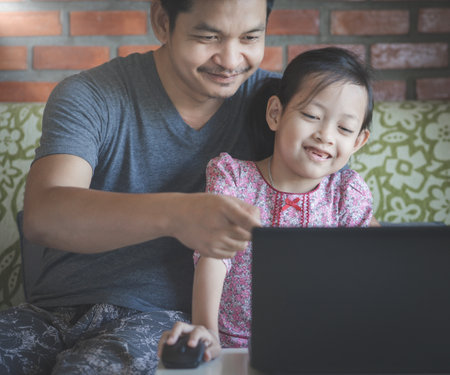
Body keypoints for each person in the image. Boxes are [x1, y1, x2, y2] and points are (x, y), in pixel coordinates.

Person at [0, 1, 276, 374]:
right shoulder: (90, 94)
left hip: (163, 322)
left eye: (250, 37)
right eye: (208, 37)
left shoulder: (280, 109)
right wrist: (178, 215)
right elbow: (43, 215)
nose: (230, 59)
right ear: (163, 22)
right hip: (50, 313)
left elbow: (332, 197)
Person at [158, 47, 374, 362]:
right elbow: (214, 257)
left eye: (343, 129)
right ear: (275, 113)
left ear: (357, 142)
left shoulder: (346, 193)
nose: (326, 135)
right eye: (312, 116)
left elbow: (365, 271)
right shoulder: (232, 176)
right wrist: (207, 333)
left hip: (318, 348)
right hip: (233, 346)